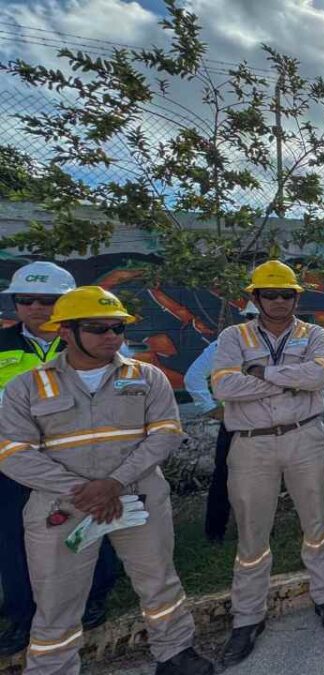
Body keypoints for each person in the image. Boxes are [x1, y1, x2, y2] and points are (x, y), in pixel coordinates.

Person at [0, 286, 213, 675]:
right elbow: (13, 453)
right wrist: (82, 491)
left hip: (137, 496)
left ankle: (175, 652)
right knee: (57, 598)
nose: (111, 336)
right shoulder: (27, 387)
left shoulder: (147, 377)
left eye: (117, 327)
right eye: (98, 328)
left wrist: (113, 483)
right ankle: (52, 667)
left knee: (158, 580)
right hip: (63, 506)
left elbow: (165, 433)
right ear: (66, 331)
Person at [212, 260, 324, 666]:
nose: (278, 301)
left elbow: (317, 378)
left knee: (317, 523)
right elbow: (224, 385)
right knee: (252, 533)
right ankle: (248, 617)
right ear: (255, 297)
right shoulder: (233, 336)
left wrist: (260, 373)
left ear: (295, 298)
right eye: (269, 294)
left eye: (286, 294)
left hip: (304, 436)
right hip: (251, 444)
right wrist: (288, 379)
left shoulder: (314, 334)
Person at [0, 262, 122, 657]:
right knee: (14, 538)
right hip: (17, 460)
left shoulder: (94, 338)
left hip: (81, 455)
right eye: (26, 300)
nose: (36, 307)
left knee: (90, 525)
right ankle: (23, 614)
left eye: (48, 300)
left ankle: (94, 597)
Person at [183, 302, 259, 543]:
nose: (255, 323)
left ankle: (258, 530)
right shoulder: (227, 345)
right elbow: (194, 377)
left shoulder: (280, 347)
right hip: (236, 423)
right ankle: (215, 533)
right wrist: (211, 409)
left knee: (264, 478)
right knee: (224, 478)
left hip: (268, 421)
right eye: (252, 317)